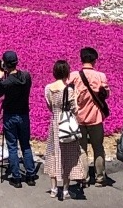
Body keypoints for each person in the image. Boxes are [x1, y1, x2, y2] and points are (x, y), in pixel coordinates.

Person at [44, 60, 87, 200]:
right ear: (67, 72)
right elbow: (75, 110)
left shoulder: (48, 88)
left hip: (54, 124)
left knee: (53, 154)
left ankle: (53, 189)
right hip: (66, 126)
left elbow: (50, 106)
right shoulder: (68, 90)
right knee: (68, 156)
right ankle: (66, 190)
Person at [0, 50, 36, 188]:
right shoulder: (27, 76)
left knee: (12, 146)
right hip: (24, 114)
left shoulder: (7, 83)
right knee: (25, 145)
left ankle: (16, 177)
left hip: (11, 115)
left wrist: (0, 79)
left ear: (5, 65)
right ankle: (30, 175)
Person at [70, 47, 109, 187]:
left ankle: (84, 178)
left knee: (82, 148)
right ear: (94, 60)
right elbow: (106, 94)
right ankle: (100, 178)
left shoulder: (74, 75)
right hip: (96, 118)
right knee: (98, 147)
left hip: (79, 118)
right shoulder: (101, 76)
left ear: (81, 59)